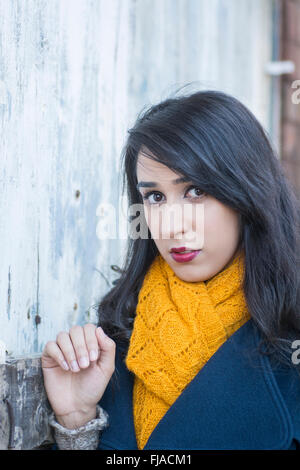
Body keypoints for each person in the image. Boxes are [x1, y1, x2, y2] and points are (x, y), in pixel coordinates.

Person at [42, 88, 300, 450]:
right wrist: (77, 423)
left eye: (195, 191)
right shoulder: (112, 344)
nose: (171, 224)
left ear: (247, 193)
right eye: (155, 197)